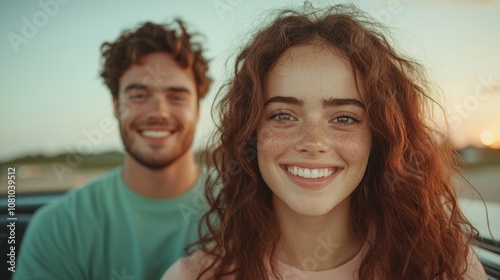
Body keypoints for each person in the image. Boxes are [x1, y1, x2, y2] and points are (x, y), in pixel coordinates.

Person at [162, 4, 487, 280]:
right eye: (283, 115)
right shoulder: (193, 275)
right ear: (251, 134)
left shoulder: (444, 264)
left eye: (344, 118)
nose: (313, 142)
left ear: (379, 137)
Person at [15, 19, 212, 280]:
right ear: (116, 106)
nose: (158, 113)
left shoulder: (251, 208)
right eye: (138, 95)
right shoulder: (59, 225)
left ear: (198, 109)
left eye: (176, 96)